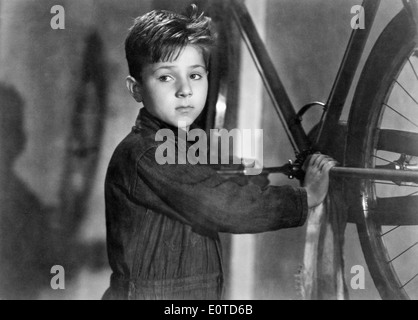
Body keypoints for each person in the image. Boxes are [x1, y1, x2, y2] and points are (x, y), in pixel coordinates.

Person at [102, 4, 337, 300]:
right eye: (165, 77)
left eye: (196, 75)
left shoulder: (180, 146)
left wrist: (251, 175)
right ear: (135, 89)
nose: (185, 90)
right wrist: (305, 198)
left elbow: (210, 182)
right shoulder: (147, 153)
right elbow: (223, 205)